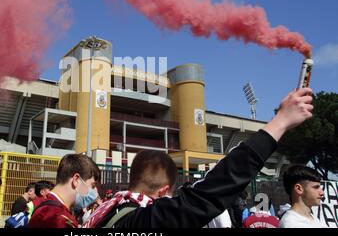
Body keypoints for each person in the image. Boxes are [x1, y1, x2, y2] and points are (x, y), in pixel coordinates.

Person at [83, 88, 314, 228]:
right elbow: (209, 192)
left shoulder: (101, 214)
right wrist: (280, 122)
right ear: (163, 191)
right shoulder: (142, 222)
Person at [28, 154, 100, 228]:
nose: (95, 192)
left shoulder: (49, 208)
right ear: (76, 180)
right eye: (93, 185)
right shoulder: (57, 218)